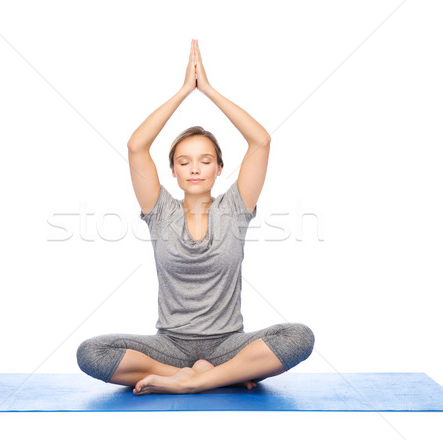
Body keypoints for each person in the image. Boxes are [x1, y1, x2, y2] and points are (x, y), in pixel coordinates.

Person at [77, 39, 314, 395]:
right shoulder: (159, 210)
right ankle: (211, 375)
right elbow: (136, 146)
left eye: (205, 161)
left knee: (299, 337)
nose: (195, 169)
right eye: (184, 162)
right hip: (170, 346)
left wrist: (210, 91)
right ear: (172, 171)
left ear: (220, 168)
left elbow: (260, 141)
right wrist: (184, 92)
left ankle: (195, 380)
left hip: (228, 345)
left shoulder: (235, 207)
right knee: (91, 353)